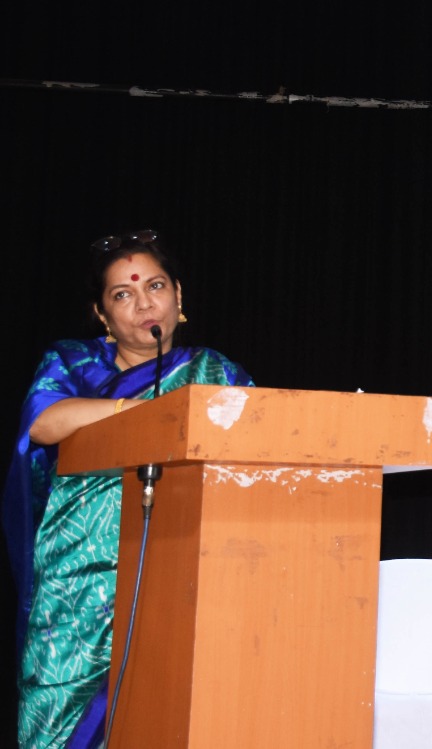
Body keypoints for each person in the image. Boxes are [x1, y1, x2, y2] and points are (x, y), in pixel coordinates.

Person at [3, 230, 253, 749]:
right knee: (57, 723)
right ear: (102, 314)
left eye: (155, 286)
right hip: (78, 581)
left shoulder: (215, 373)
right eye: (123, 294)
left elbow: (257, 447)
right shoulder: (72, 363)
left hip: (181, 569)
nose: (144, 304)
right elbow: (44, 424)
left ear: (178, 295)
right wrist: (148, 414)